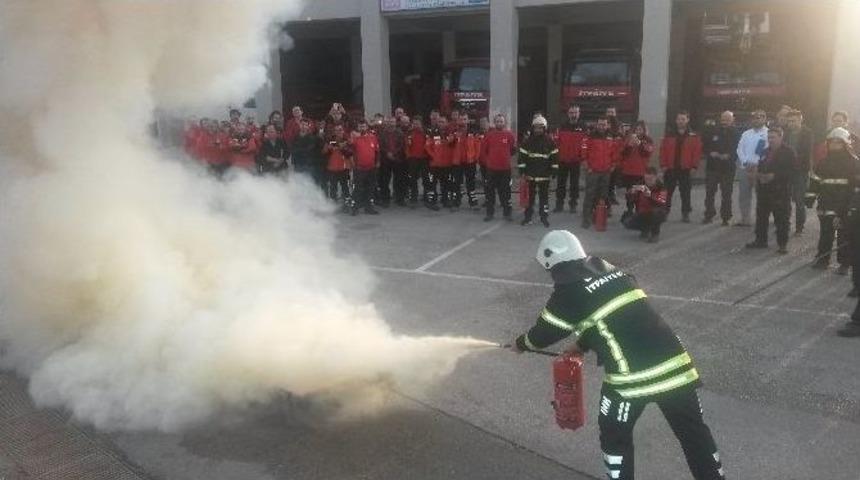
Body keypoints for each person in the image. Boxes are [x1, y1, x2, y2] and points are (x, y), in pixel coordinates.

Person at [512, 231, 726, 480]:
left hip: (630, 379)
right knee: (694, 434)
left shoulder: (568, 292)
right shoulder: (615, 273)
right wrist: (581, 344)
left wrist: (520, 344)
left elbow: (543, 334)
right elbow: (614, 317)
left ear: (552, 263)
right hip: (678, 368)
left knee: (614, 435)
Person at [808, 127, 858, 273]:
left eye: (838, 143)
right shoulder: (823, 163)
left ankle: (844, 264)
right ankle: (823, 259)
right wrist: (809, 197)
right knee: (825, 233)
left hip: (845, 205)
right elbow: (815, 181)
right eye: (832, 143)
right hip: (826, 203)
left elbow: (856, 188)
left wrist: (852, 207)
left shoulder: (854, 163)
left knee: (844, 235)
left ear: (845, 144)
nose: (834, 146)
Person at [745, 128, 796, 254]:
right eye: (769, 137)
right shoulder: (764, 151)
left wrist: (775, 176)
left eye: (773, 137)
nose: (771, 140)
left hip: (780, 190)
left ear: (781, 137)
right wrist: (758, 175)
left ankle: (782, 244)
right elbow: (760, 166)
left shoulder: (789, 152)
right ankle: (761, 240)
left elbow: (792, 171)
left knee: (781, 219)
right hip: (764, 190)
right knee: (761, 216)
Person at [660, 111, 702, 223]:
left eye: (683, 119)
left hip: (686, 169)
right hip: (670, 168)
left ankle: (686, 213)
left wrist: (694, 166)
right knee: (666, 192)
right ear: (676, 120)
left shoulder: (694, 135)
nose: (681, 121)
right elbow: (663, 150)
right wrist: (663, 164)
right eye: (679, 119)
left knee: (686, 193)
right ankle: (663, 212)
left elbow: (697, 152)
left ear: (687, 120)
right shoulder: (669, 134)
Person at [518, 115, 559, 227]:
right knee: (529, 199)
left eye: (540, 128)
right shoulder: (527, 142)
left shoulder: (550, 142)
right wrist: (522, 171)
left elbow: (554, 157)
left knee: (544, 199)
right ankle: (528, 217)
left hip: (544, 175)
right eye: (536, 127)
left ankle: (544, 217)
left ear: (544, 128)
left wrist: (554, 171)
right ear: (533, 128)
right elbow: (521, 157)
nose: (538, 130)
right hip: (530, 175)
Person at [702, 111, 740, 225]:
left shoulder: (736, 133)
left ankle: (726, 217)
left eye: (728, 119)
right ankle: (708, 215)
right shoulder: (713, 131)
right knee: (709, 193)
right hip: (712, 167)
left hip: (727, 168)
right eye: (723, 119)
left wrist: (730, 155)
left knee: (726, 194)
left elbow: (739, 149)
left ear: (732, 120)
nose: (724, 121)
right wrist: (710, 153)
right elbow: (704, 145)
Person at [582, 117, 618, 229]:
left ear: (607, 125)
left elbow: (615, 152)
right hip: (593, 171)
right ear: (597, 125)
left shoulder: (611, 137)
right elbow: (584, 151)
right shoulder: (590, 136)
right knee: (589, 195)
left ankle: (598, 217)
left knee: (602, 196)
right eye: (600, 124)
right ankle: (586, 219)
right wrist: (586, 166)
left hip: (605, 172)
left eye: (604, 124)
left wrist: (613, 165)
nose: (602, 127)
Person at [736, 110, 769, 226]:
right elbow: (739, 149)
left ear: (764, 119)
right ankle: (745, 219)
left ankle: (761, 219)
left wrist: (756, 164)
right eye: (755, 118)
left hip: (759, 169)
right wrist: (745, 162)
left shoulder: (768, 133)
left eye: (760, 117)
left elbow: (767, 151)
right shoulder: (746, 133)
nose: (757, 119)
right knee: (744, 195)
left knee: (761, 195)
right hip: (745, 168)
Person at [784, 109, 815, 235]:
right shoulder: (785, 132)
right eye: (789, 121)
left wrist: (792, 157)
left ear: (801, 120)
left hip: (800, 171)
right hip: (786, 171)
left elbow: (807, 152)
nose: (791, 123)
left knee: (799, 200)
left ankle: (799, 227)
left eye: (794, 121)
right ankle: (784, 225)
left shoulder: (807, 133)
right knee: (785, 199)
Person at [481, 113, 516, 221]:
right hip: (492, 169)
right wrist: (488, 162)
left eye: (501, 121)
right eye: (497, 121)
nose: (499, 123)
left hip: (505, 169)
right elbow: (484, 150)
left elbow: (512, 150)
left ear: (504, 122)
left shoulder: (509, 135)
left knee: (506, 192)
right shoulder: (489, 135)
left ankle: (507, 214)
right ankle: (489, 214)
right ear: (494, 123)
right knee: (490, 192)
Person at [555, 105, 588, 213]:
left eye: (575, 112)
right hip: (562, 160)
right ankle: (559, 204)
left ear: (579, 113)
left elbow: (585, 145)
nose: (573, 115)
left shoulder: (583, 127)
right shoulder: (562, 126)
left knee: (574, 184)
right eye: (571, 112)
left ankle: (573, 204)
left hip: (576, 161)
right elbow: (557, 142)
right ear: (568, 114)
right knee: (561, 184)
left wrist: (583, 159)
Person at [622, 167, 668, 243]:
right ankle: (645, 229)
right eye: (646, 179)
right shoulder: (640, 185)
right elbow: (630, 198)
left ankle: (655, 234)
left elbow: (662, 202)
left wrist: (650, 196)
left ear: (656, 177)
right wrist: (630, 193)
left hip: (656, 213)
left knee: (657, 212)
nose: (648, 181)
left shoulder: (662, 187)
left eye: (651, 179)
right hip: (642, 212)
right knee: (626, 222)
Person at [619, 121, 654, 214]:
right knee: (630, 193)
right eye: (637, 129)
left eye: (640, 129)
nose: (638, 131)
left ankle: (639, 211)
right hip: (629, 171)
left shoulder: (648, 140)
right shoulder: (629, 139)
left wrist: (639, 144)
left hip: (641, 172)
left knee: (640, 193)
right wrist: (629, 146)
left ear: (644, 130)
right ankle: (629, 210)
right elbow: (623, 153)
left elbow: (648, 153)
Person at [351, 119, 380, 215]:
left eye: (363, 126)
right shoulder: (354, 138)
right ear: (358, 128)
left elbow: (377, 151)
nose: (362, 128)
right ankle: (355, 207)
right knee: (358, 188)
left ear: (367, 127)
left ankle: (368, 207)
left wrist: (378, 162)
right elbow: (349, 151)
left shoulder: (373, 137)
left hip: (371, 168)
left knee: (370, 188)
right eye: (360, 126)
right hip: (359, 168)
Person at [425, 116, 454, 211]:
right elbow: (427, 147)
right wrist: (434, 156)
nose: (441, 123)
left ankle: (445, 200)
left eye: (443, 122)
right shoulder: (432, 133)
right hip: (434, 164)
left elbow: (454, 147)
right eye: (440, 122)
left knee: (446, 184)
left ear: (446, 123)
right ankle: (431, 202)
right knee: (432, 184)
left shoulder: (450, 134)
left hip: (446, 164)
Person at [378, 116, 406, 207]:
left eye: (392, 122)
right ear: (386, 123)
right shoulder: (382, 133)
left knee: (399, 180)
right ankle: (385, 199)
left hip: (398, 159)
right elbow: (380, 145)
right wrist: (387, 153)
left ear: (395, 123)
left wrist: (393, 153)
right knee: (385, 181)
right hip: (385, 160)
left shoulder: (400, 133)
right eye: (389, 122)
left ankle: (399, 199)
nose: (391, 124)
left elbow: (402, 145)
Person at [322, 124, 352, 205]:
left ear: (343, 130)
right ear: (334, 132)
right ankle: (333, 202)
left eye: (340, 130)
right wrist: (328, 148)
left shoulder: (347, 140)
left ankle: (347, 202)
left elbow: (350, 153)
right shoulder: (330, 140)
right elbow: (324, 152)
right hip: (332, 168)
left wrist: (343, 147)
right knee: (333, 186)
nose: (338, 132)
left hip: (344, 168)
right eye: (336, 130)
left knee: (345, 186)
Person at [405, 117, 429, 206]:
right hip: (413, 159)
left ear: (421, 124)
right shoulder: (409, 133)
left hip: (424, 158)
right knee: (412, 179)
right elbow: (407, 145)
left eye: (417, 123)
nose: (416, 125)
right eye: (414, 124)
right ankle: (413, 198)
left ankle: (427, 198)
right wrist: (408, 156)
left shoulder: (426, 132)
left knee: (426, 179)